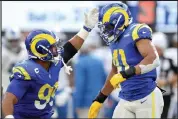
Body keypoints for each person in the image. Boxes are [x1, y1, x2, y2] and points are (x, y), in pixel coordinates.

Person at [2, 8, 98, 119]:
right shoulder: (27, 71)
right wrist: (9, 116)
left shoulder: (54, 64)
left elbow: (71, 48)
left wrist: (86, 29)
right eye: (52, 47)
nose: (56, 49)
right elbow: (8, 99)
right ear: (40, 50)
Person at [88, 2, 164, 118]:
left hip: (146, 95)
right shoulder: (114, 41)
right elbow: (114, 72)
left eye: (107, 26)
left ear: (119, 20)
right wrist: (99, 99)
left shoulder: (136, 31)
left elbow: (153, 59)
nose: (105, 31)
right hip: (126, 97)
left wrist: (126, 74)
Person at [72, 31, 107, 118]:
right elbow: (105, 80)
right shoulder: (98, 61)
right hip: (100, 100)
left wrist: (77, 104)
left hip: (85, 103)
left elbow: (80, 85)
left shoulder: (80, 63)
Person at [2, 28, 28, 93]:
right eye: (11, 41)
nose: (14, 43)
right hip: (6, 85)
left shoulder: (26, 51)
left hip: (24, 85)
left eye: (16, 40)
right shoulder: (2, 53)